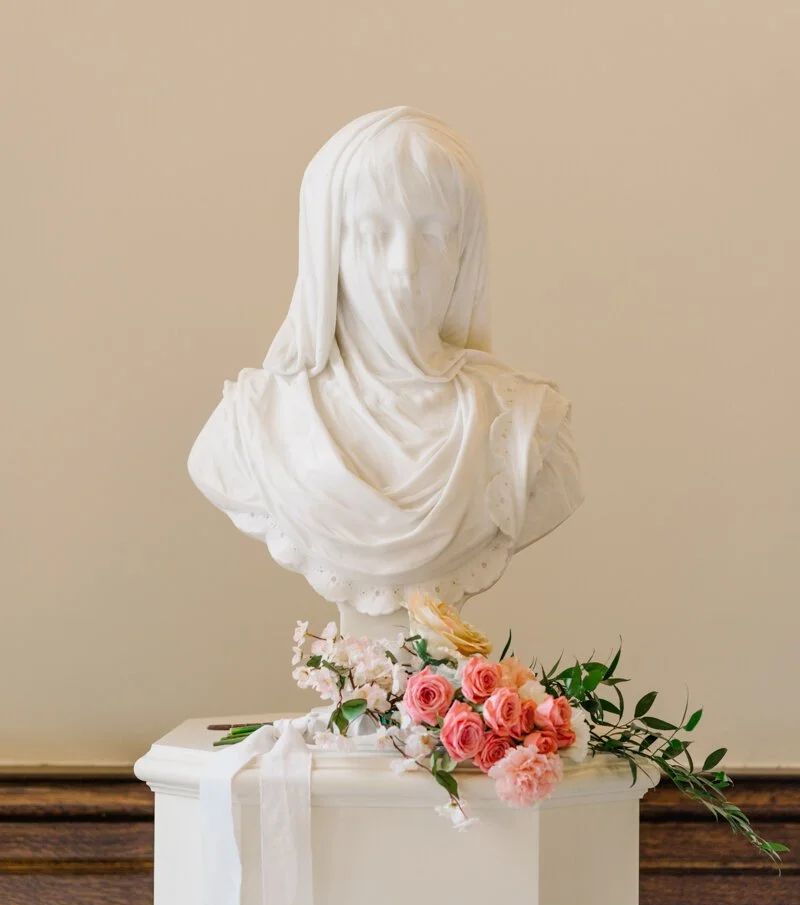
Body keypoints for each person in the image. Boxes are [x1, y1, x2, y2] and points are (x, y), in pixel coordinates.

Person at [188, 106, 583, 619]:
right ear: (327, 249)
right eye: (374, 233)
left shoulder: (525, 424)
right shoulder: (254, 424)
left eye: (435, 235)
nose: (405, 266)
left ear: (466, 251)